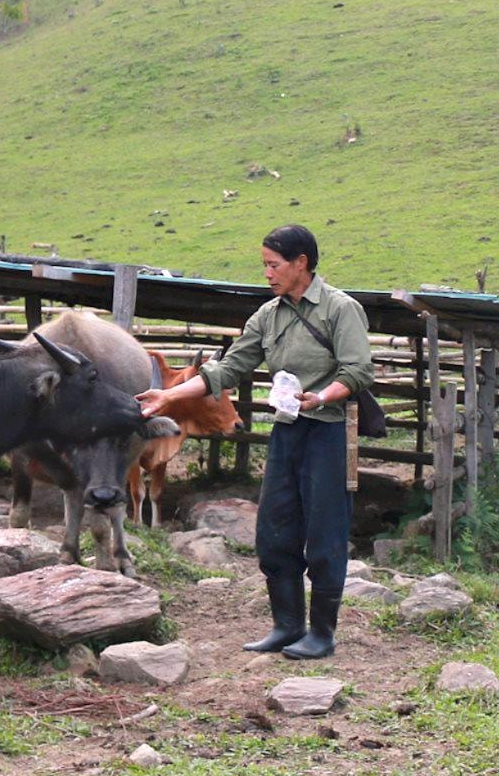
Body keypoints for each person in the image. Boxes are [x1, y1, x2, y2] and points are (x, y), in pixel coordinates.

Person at [140, 224, 373, 660]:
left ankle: (321, 633)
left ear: (301, 263)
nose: (267, 273)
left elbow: (358, 371)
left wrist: (319, 396)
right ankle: (286, 626)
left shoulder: (341, 309)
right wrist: (169, 395)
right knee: (274, 529)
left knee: (325, 533)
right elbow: (226, 371)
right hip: (286, 432)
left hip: (328, 431)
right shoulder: (267, 316)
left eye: (274, 264)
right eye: (264, 265)